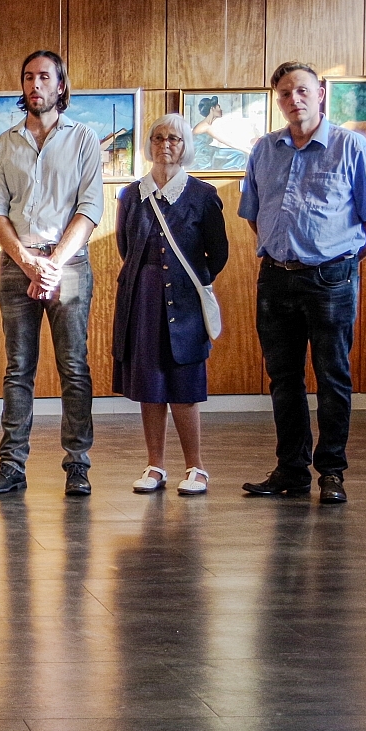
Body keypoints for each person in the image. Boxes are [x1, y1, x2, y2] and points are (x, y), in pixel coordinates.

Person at [239, 62, 366, 504]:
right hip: (275, 278)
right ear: (278, 99)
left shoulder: (351, 146)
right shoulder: (264, 150)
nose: (294, 99)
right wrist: (283, 249)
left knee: (332, 377)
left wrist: (346, 259)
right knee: (283, 379)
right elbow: (254, 214)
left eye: (302, 90)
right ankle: (291, 470)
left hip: (331, 279)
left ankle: (331, 472)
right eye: (285, 93)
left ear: (321, 92)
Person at [0, 50, 104, 497]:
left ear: (60, 86)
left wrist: (51, 265)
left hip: (68, 266)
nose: (36, 85)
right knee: (18, 369)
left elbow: (90, 208)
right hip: (18, 267)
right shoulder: (3, 143)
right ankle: (12, 465)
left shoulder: (84, 139)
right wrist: (27, 261)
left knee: (74, 367)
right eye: (29, 77)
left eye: (45, 77)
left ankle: (78, 465)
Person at [113, 113, 229, 496]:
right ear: (149, 144)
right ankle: (155, 465)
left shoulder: (203, 195)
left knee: (184, 385)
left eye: (174, 139)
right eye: (158, 137)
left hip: (186, 302)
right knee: (150, 385)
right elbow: (126, 249)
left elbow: (218, 253)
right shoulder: (131, 195)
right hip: (142, 301)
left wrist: (186, 281)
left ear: (185, 146)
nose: (165, 144)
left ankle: (196, 467)